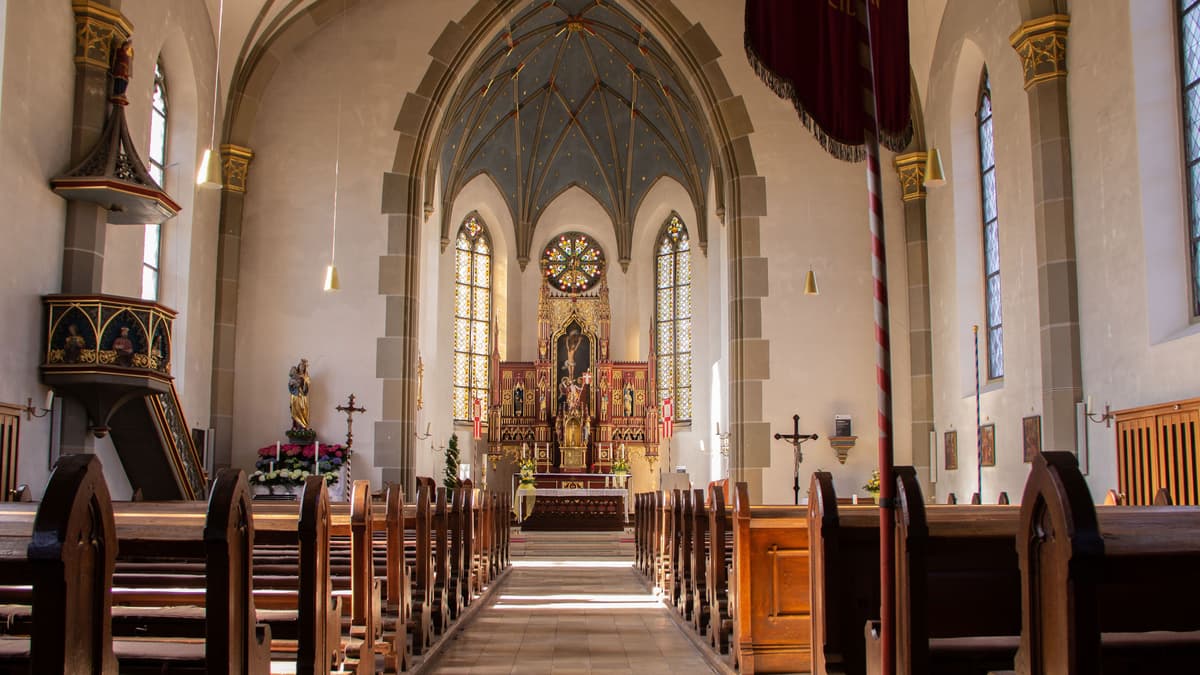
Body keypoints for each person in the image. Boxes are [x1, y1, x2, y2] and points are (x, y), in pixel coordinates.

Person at [289, 358, 311, 430]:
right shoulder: (295, 374)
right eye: (301, 366)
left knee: (303, 410)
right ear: (298, 366)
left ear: (305, 368)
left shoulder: (306, 376)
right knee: (295, 411)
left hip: (302, 396)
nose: (302, 367)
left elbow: (307, 386)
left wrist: (305, 381)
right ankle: (295, 427)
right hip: (295, 396)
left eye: (303, 366)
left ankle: (303, 427)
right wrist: (293, 384)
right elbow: (290, 385)